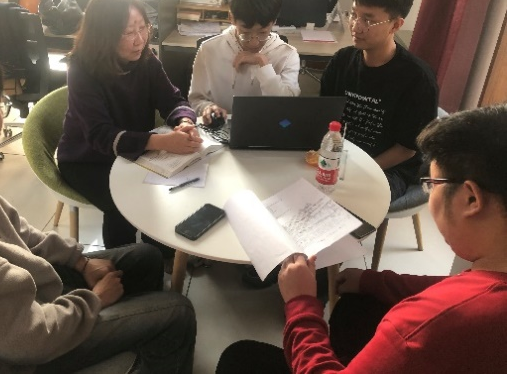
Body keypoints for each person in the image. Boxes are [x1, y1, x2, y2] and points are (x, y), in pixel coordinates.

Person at [0, 36, 196, 373]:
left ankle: (137, 337)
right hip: (25, 349)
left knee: (147, 257)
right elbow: (29, 339)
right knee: (178, 313)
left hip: (23, 293)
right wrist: (95, 301)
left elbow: (19, 232)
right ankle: (143, 331)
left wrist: (80, 262)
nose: (4, 111)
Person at [216, 104, 507, 373]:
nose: (429, 195)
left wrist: (300, 302)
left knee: (239, 358)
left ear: (470, 199)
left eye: (431, 184)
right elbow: (452, 286)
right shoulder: (488, 284)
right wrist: (374, 280)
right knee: (357, 305)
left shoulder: (420, 326)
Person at [57, 0, 202, 250]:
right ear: (103, 36)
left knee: (171, 193)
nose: (140, 40)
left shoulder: (146, 59)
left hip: (134, 150)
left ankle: (159, 252)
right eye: (128, 33)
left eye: (143, 28)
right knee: (123, 205)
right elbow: (101, 135)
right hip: (87, 159)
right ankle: (120, 262)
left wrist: (185, 122)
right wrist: (162, 142)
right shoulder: (82, 69)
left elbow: (173, 100)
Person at [320, 0, 438, 202]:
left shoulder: (417, 79)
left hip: (390, 167)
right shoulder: (342, 61)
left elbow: (406, 149)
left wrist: (358, 169)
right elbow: (323, 115)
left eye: (369, 19)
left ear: (396, 25)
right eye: (354, 14)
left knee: (350, 200)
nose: (356, 26)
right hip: (340, 155)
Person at [188, 0, 301, 125]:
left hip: (268, 127)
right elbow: (196, 100)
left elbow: (288, 108)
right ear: (231, 18)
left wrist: (264, 65)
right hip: (221, 128)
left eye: (262, 32)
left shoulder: (287, 55)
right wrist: (207, 108)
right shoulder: (209, 49)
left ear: (274, 22)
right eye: (245, 33)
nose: (254, 42)